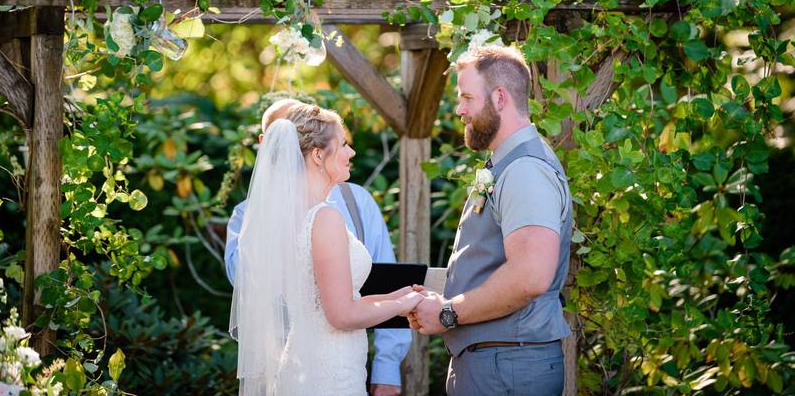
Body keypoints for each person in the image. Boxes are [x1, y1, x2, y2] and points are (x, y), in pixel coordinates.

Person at [407, 45, 573, 396]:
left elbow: (530, 277)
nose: (460, 110)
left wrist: (448, 312)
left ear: (499, 98)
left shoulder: (525, 170)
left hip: (507, 369)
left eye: (467, 97)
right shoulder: (510, 162)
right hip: (499, 364)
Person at [229, 102, 424, 396]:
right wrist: (401, 305)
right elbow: (341, 315)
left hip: (307, 366)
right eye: (344, 144)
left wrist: (399, 295)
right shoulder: (324, 217)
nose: (351, 152)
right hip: (329, 374)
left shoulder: (286, 218)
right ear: (318, 155)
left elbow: (325, 302)